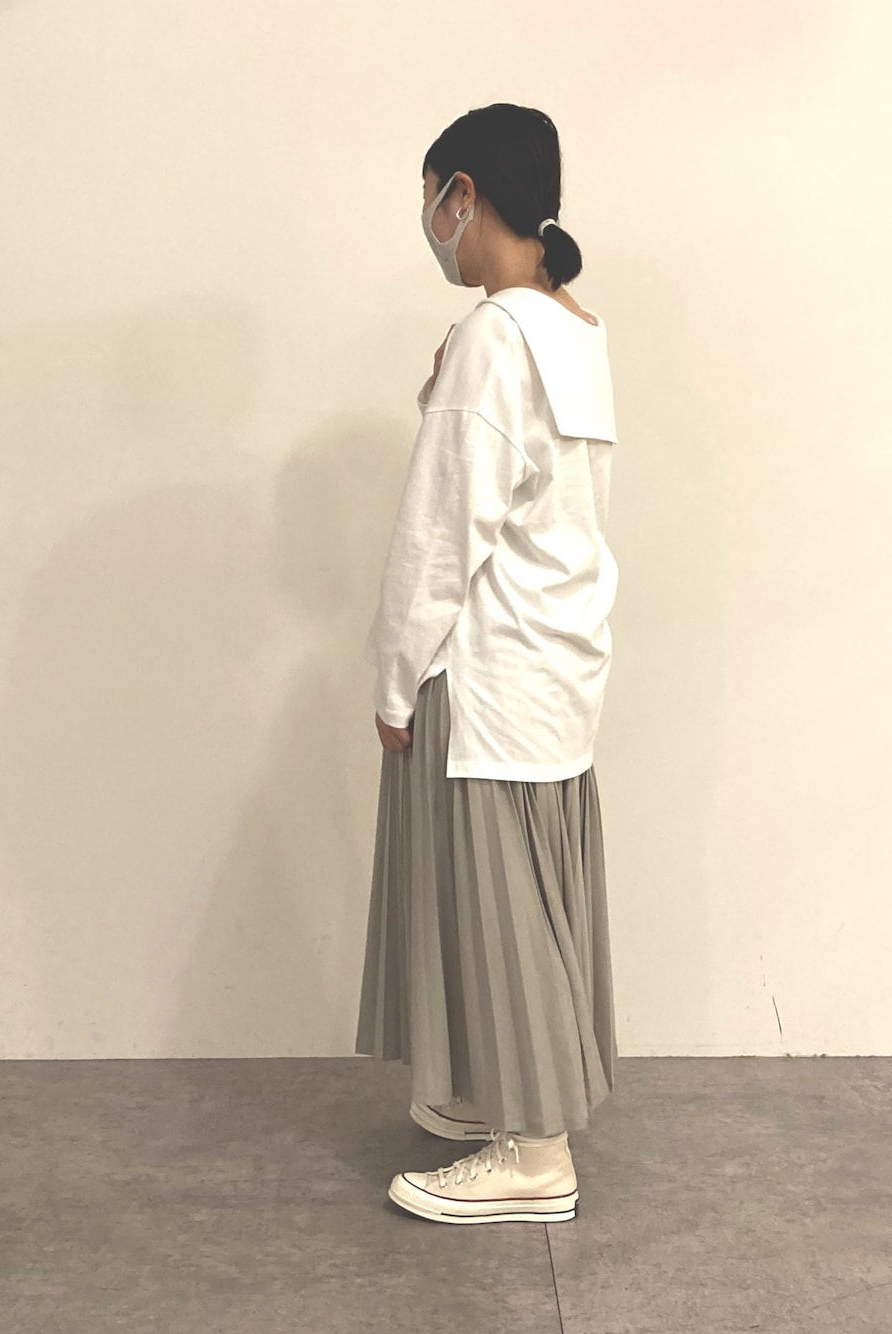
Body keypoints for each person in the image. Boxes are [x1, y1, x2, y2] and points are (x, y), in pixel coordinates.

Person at [355, 103, 619, 1226]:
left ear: (463, 195)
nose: (430, 223)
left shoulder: (492, 335)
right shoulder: (573, 326)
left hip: (489, 667)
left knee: (499, 905)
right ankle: (507, 1099)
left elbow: (440, 528)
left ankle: (534, 1151)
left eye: (431, 200)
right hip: (557, 656)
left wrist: (392, 676)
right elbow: (534, 493)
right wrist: (444, 387)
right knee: (531, 897)